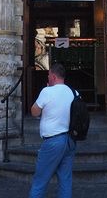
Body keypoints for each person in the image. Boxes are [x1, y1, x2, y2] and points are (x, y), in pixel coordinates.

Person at [29, 62, 76, 198]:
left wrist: (46, 90)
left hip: (53, 141)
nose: (48, 77)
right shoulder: (73, 92)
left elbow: (34, 112)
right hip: (70, 140)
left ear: (54, 77)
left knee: (40, 181)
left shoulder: (47, 91)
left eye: (49, 74)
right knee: (65, 181)